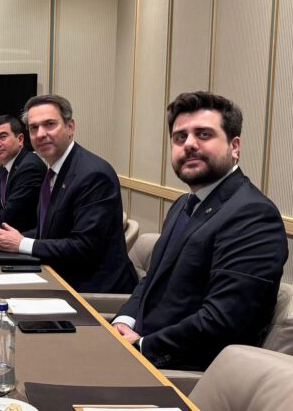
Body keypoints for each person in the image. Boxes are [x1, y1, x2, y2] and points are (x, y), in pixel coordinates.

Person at [113, 92, 288, 371]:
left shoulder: (253, 215)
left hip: (182, 374)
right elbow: (152, 280)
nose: (190, 144)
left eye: (204, 134)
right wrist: (125, 320)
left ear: (235, 146)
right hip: (137, 352)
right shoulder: (184, 204)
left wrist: (143, 346)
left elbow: (222, 321)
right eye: (180, 137)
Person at [0, 94, 137, 293]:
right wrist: (10, 238)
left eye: (49, 124)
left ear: (70, 127)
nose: (40, 134)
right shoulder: (54, 171)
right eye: (34, 127)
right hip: (58, 274)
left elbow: (83, 247)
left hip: (91, 290)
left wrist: (22, 243)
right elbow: (50, 231)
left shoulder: (93, 174)